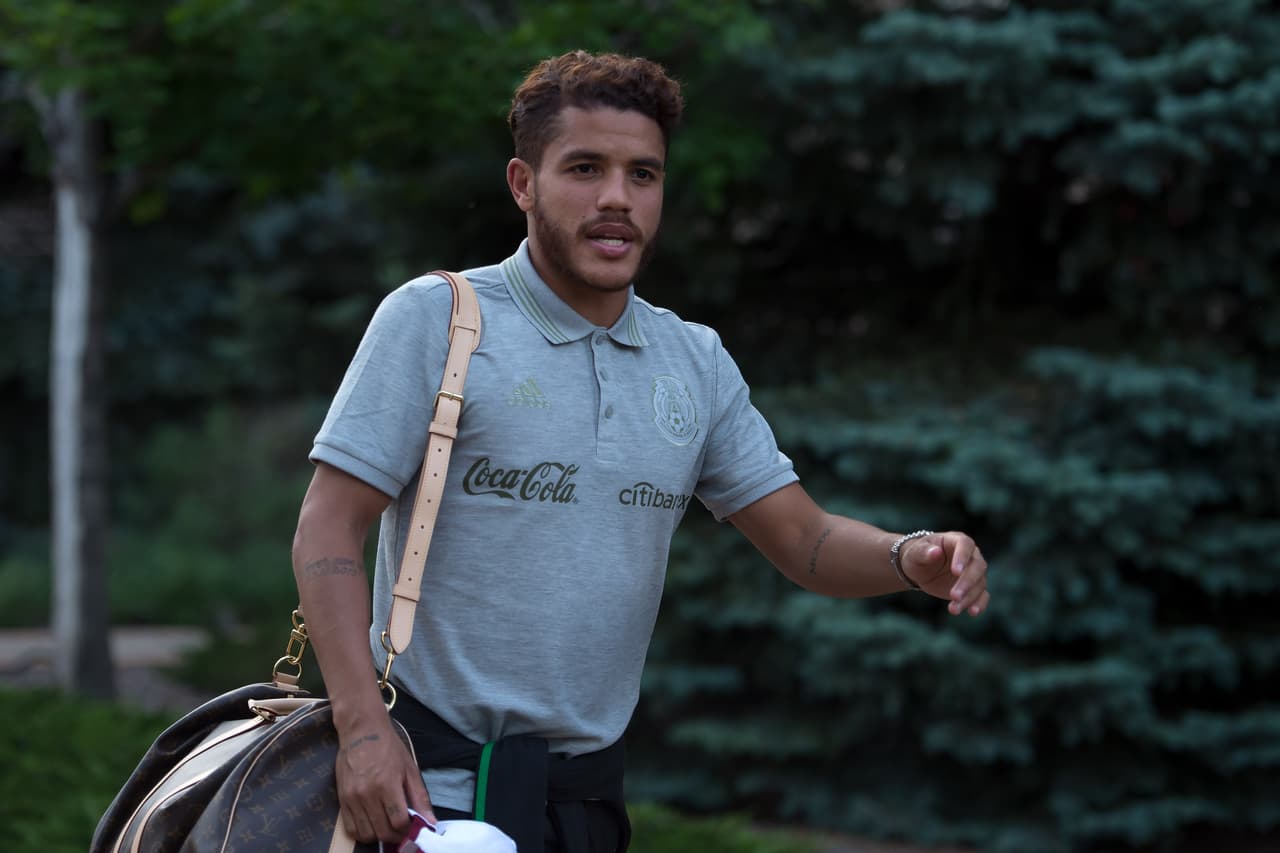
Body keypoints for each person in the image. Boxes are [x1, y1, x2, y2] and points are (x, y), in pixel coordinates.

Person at [291, 49, 990, 853]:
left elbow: (806, 540)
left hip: (589, 805)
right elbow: (328, 527)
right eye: (585, 168)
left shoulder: (692, 359)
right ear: (523, 183)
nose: (616, 199)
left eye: (643, 175)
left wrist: (910, 555)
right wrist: (363, 730)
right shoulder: (439, 319)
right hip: (430, 800)